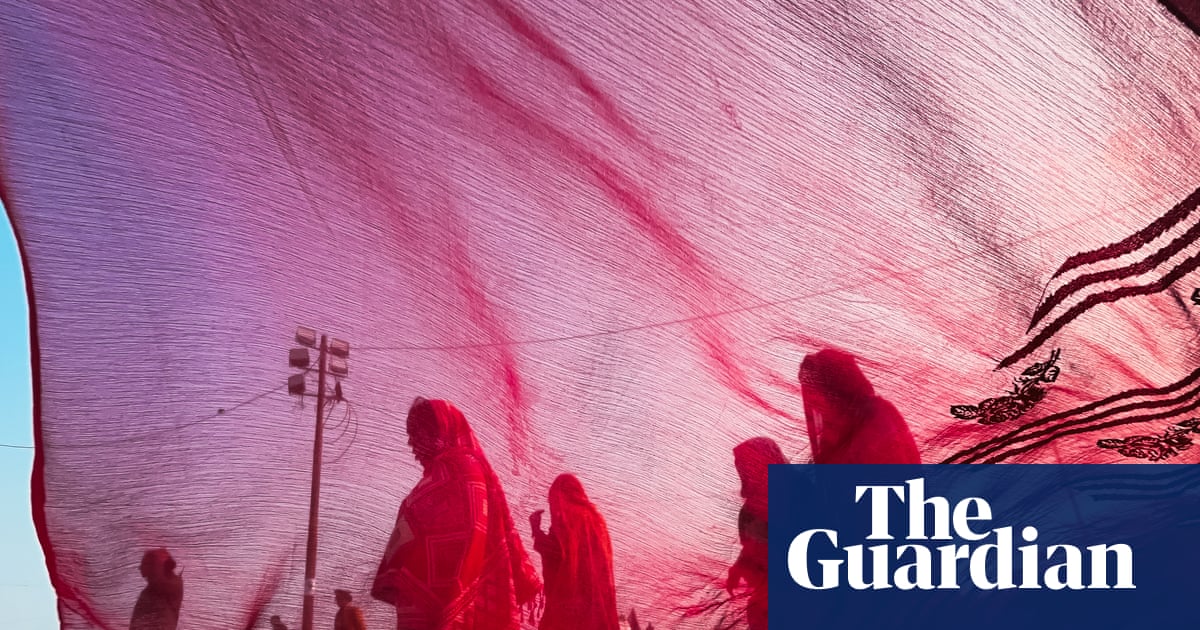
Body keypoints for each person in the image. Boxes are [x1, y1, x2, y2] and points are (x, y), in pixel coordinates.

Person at [372, 398, 541, 629]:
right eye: (410, 434)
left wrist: (456, 587)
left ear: (439, 430)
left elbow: (472, 530)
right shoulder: (447, 471)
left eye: (417, 432)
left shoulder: (462, 468)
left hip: (454, 595)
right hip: (429, 593)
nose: (412, 442)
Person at [798, 349, 920, 464]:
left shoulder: (876, 416)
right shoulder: (833, 429)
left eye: (817, 393)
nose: (815, 405)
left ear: (834, 389)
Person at [529, 473, 619, 630]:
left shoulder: (567, 518)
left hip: (572, 602)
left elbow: (557, 553)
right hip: (596, 602)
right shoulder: (595, 519)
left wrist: (536, 530)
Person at [726, 438, 787, 630]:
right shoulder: (749, 510)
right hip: (765, 597)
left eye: (749, 464)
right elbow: (750, 548)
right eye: (741, 467)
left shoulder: (797, 494)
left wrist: (769, 537)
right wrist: (738, 566)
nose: (744, 471)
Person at [129, 548, 184, 630]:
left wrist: (157, 563)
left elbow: (159, 583)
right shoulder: (147, 591)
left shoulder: (174, 583)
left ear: (155, 565)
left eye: (145, 564)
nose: (140, 568)